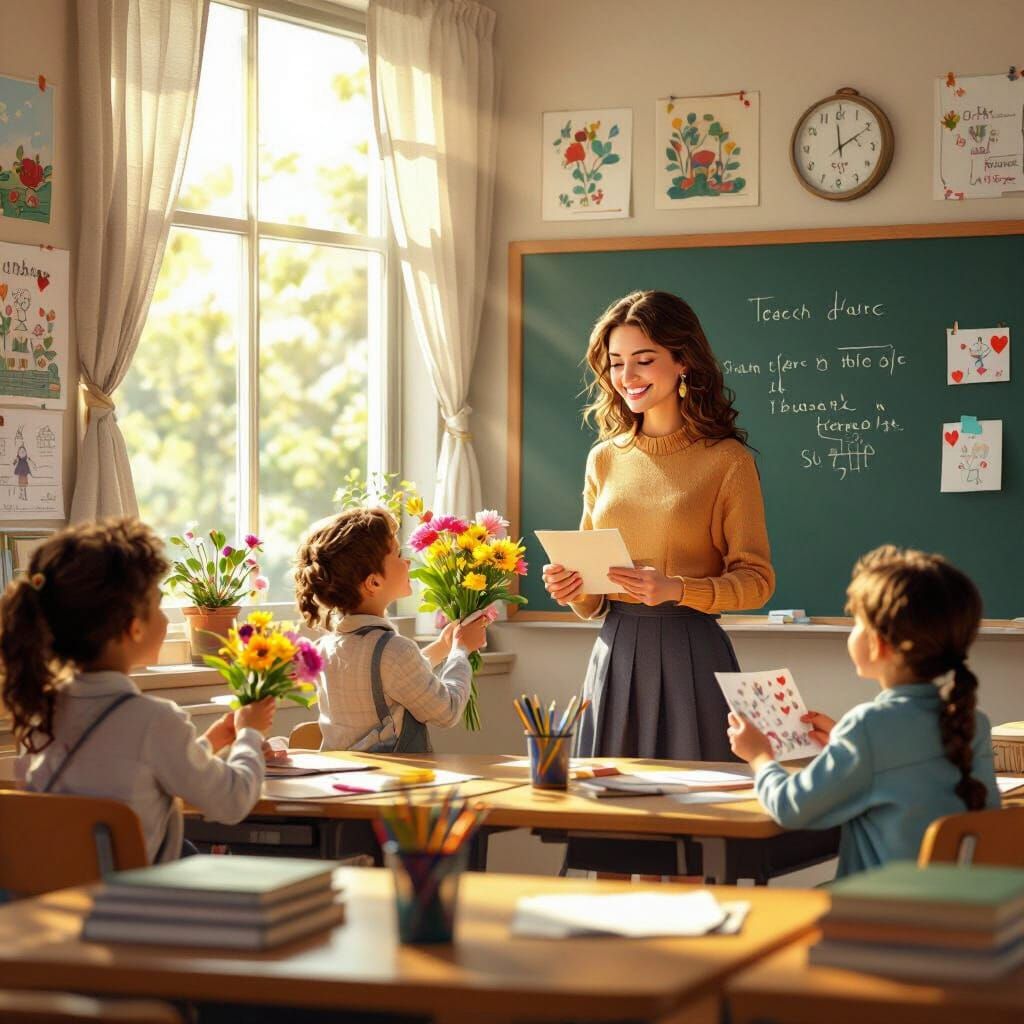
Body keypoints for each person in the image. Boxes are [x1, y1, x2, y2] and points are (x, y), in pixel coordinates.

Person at [542, 290, 774, 762]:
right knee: (608, 797)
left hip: (691, 655)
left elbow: (757, 581)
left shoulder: (728, 461)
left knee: (695, 799)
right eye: (616, 363)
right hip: (614, 652)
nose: (627, 377)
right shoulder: (603, 458)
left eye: (644, 360)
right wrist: (573, 588)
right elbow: (592, 600)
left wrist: (676, 588)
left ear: (682, 361)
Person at [5, 518, 274, 863]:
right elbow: (232, 802)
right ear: (134, 628)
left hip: (60, 892)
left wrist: (209, 743)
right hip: (134, 894)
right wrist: (250, 732)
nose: (165, 617)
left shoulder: (41, 709)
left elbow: (128, 772)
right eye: (158, 605)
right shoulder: (154, 720)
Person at [728, 545, 999, 877]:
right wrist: (845, 744)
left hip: (878, 905)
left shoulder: (869, 727)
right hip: (956, 905)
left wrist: (759, 756)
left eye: (856, 621)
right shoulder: (974, 724)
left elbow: (788, 807)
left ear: (878, 642)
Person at [294, 507, 487, 752]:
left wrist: (442, 647)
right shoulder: (394, 650)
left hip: (340, 772)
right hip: (389, 775)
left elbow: (390, 678)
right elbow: (447, 711)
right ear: (373, 582)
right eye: (398, 554)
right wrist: (461, 651)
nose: (407, 561)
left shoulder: (326, 648)